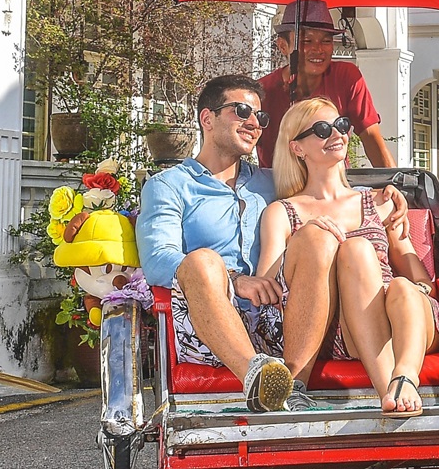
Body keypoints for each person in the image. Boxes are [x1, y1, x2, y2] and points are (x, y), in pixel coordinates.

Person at [139, 75, 330, 413]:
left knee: (314, 235)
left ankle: (294, 385)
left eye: (261, 116)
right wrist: (235, 280)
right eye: (242, 111)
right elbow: (158, 260)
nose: (255, 122)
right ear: (207, 118)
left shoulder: (273, 182)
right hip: (205, 326)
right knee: (202, 260)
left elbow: (327, 192)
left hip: (277, 320)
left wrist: (381, 196)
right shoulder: (168, 186)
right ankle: (257, 377)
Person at [257, 97, 439, 417]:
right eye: (322, 129)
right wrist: (306, 242)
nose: (336, 134)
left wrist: (408, 291)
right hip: (343, 331)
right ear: (297, 148)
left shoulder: (381, 201)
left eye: (341, 126)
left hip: (405, 316)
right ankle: (392, 392)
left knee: (400, 285)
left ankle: (402, 380)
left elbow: (419, 277)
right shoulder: (283, 212)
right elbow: (267, 287)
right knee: (355, 248)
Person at [257, 0, 395, 170]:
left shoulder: (346, 77)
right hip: (276, 185)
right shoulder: (262, 91)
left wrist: (394, 185)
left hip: (333, 186)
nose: (318, 49)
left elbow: (371, 137)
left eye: (326, 41)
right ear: (283, 46)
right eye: (306, 41)